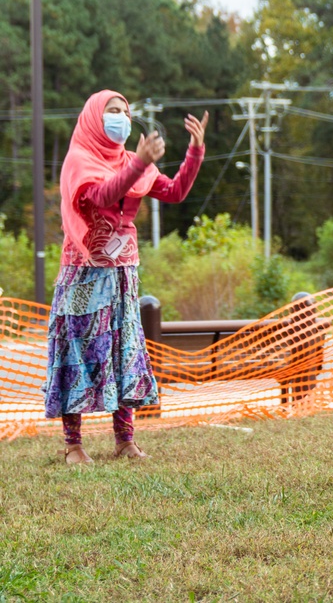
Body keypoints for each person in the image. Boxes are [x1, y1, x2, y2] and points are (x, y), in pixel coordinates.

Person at [44, 90, 208, 464]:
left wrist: (195, 151)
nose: (121, 118)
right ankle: (73, 444)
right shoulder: (79, 159)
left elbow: (176, 191)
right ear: (92, 118)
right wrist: (138, 165)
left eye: (125, 112)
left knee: (125, 350)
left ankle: (125, 440)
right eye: (112, 111)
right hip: (82, 275)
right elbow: (101, 195)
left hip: (123, 275)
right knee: (76, 350)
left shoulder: (135, 161)